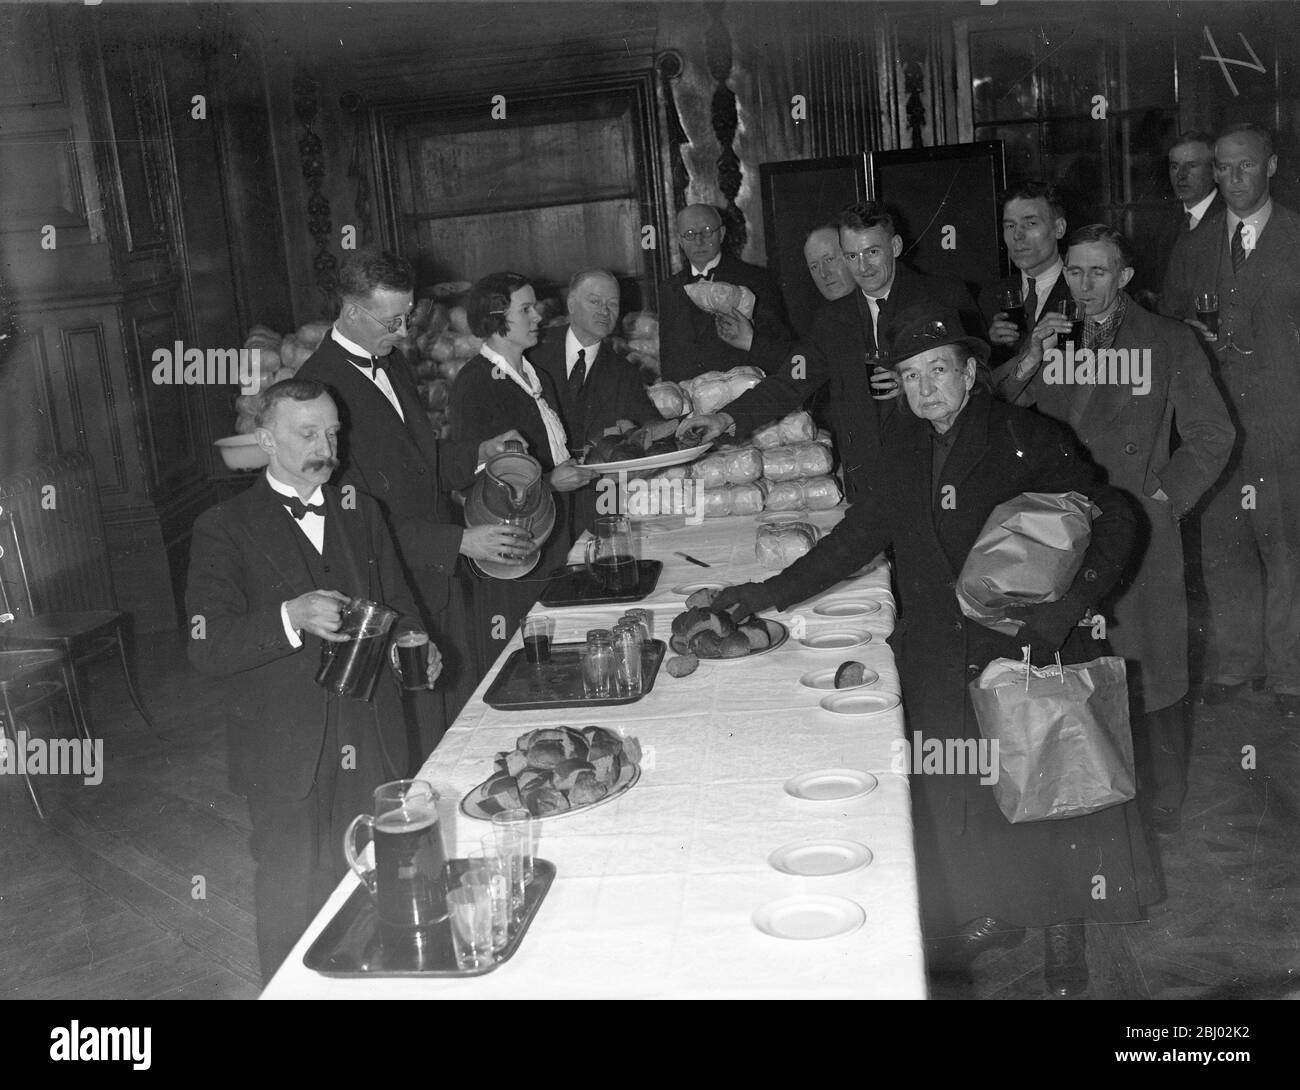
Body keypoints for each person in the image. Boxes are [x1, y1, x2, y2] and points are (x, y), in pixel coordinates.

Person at [714, 307, 1155, 996]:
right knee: (969, 791)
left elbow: (1114, 516)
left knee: (1047, 785)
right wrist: (768, 592)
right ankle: (1000, 908)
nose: (926, 389)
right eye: (911, 376)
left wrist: (1069, 611)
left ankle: (1063, 930)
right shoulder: (901, 448)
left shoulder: (1024, 435)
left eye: (939, 370)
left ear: (972, 372)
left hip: (1022, 645)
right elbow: (860, 536)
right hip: (939, 650)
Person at [186, 379, 444, 981]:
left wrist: (417, 640)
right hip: (284, 747)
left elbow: (398, 602)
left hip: (371, 729)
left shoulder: (362, 508)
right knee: (291, 891)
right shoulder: (222, 526)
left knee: (379, 878)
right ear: (264, 440)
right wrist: (288, 618)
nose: (325, 446)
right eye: (307, 434)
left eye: (332, 432)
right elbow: (204, 645)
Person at [997, 224, 1234, 833]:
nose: (1084, 284)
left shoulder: (1169, 341)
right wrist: (1031, 353)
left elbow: (1213, 435)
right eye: (1074, 272)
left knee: (1148, 665)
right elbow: (997, 410)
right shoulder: (1054, 339)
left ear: (1125, 277)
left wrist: (1163, 497)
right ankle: (1092, 792)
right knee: (1078, 660)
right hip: (1065, 527)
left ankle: (1162, 801)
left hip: (1139, 529)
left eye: (1099, 272)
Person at [296, 248, 528, 732]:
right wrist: (459, 541)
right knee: (419, 730)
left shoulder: (390, 360)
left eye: (407, 315)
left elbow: (418, 466)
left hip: (433, 578)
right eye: (391, 320)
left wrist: (481, 451)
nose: (404, 331)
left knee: (457, 713)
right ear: (350, 311)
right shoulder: (317, 391)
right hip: (388, 592)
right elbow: (348, 518)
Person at [677, 201, 978, 502]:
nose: (862, 266)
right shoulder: (833, 320)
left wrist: (914, 381)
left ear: (895, 246)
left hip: (940, 475)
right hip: (870, 487)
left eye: (872, 252)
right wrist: (724, 419)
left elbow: (981, 378)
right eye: (851, 255)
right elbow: (788, 383)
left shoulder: (944, 297)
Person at [1163, 122, 1300, 719]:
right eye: (1222, 167)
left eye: (1244, 166)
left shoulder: (1297, 237)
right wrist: (1184, 335)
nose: (1232, 178)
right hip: (1215, 427)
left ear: (1270, 166)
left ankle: (1291, 677)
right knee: (1224, 549)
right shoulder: (1192, 246)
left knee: (1287, 550)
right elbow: (1167, 327)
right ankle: (1236, 664)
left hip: (1284, 425)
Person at [448, 272, 596, 675]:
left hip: (552, 532)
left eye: (537, 308)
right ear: (496, 319)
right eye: (526, 309)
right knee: (524, 657)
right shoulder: (475, 385)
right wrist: (550, 482)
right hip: (513, 550)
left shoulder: (537, 376)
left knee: (561, 649)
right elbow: (470, 489)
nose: (539, 317)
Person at [528, 269, 662, 535]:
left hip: (597, 505)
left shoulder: (623, 372)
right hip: (538, 500)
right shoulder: (532, 353)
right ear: (571, 304)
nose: (605, 310)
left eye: (613, 303)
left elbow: (650, 430)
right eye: (595, 301)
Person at [656, 203, 793, 381]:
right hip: (689, 402)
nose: (699, 241)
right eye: (689, 234)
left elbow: (778, 347)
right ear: (680, 241)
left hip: (742, 399)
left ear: (721, 234)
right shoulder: (669, 288)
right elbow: (668, 356)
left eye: (707, 231)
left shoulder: (756, 280)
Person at [979, 181, 1072, 370]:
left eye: (1030, 223)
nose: (1018, 236)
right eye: (1011, 226)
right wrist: (992, 346)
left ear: (1059, 228)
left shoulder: (1084, 290)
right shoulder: (990, 296)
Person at [1136, 132, 1222, 305]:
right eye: (1175, 166)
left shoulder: (1231, 218)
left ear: (1214, 170)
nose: (1181, 175)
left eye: (1192, 166)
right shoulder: (1160, 222)